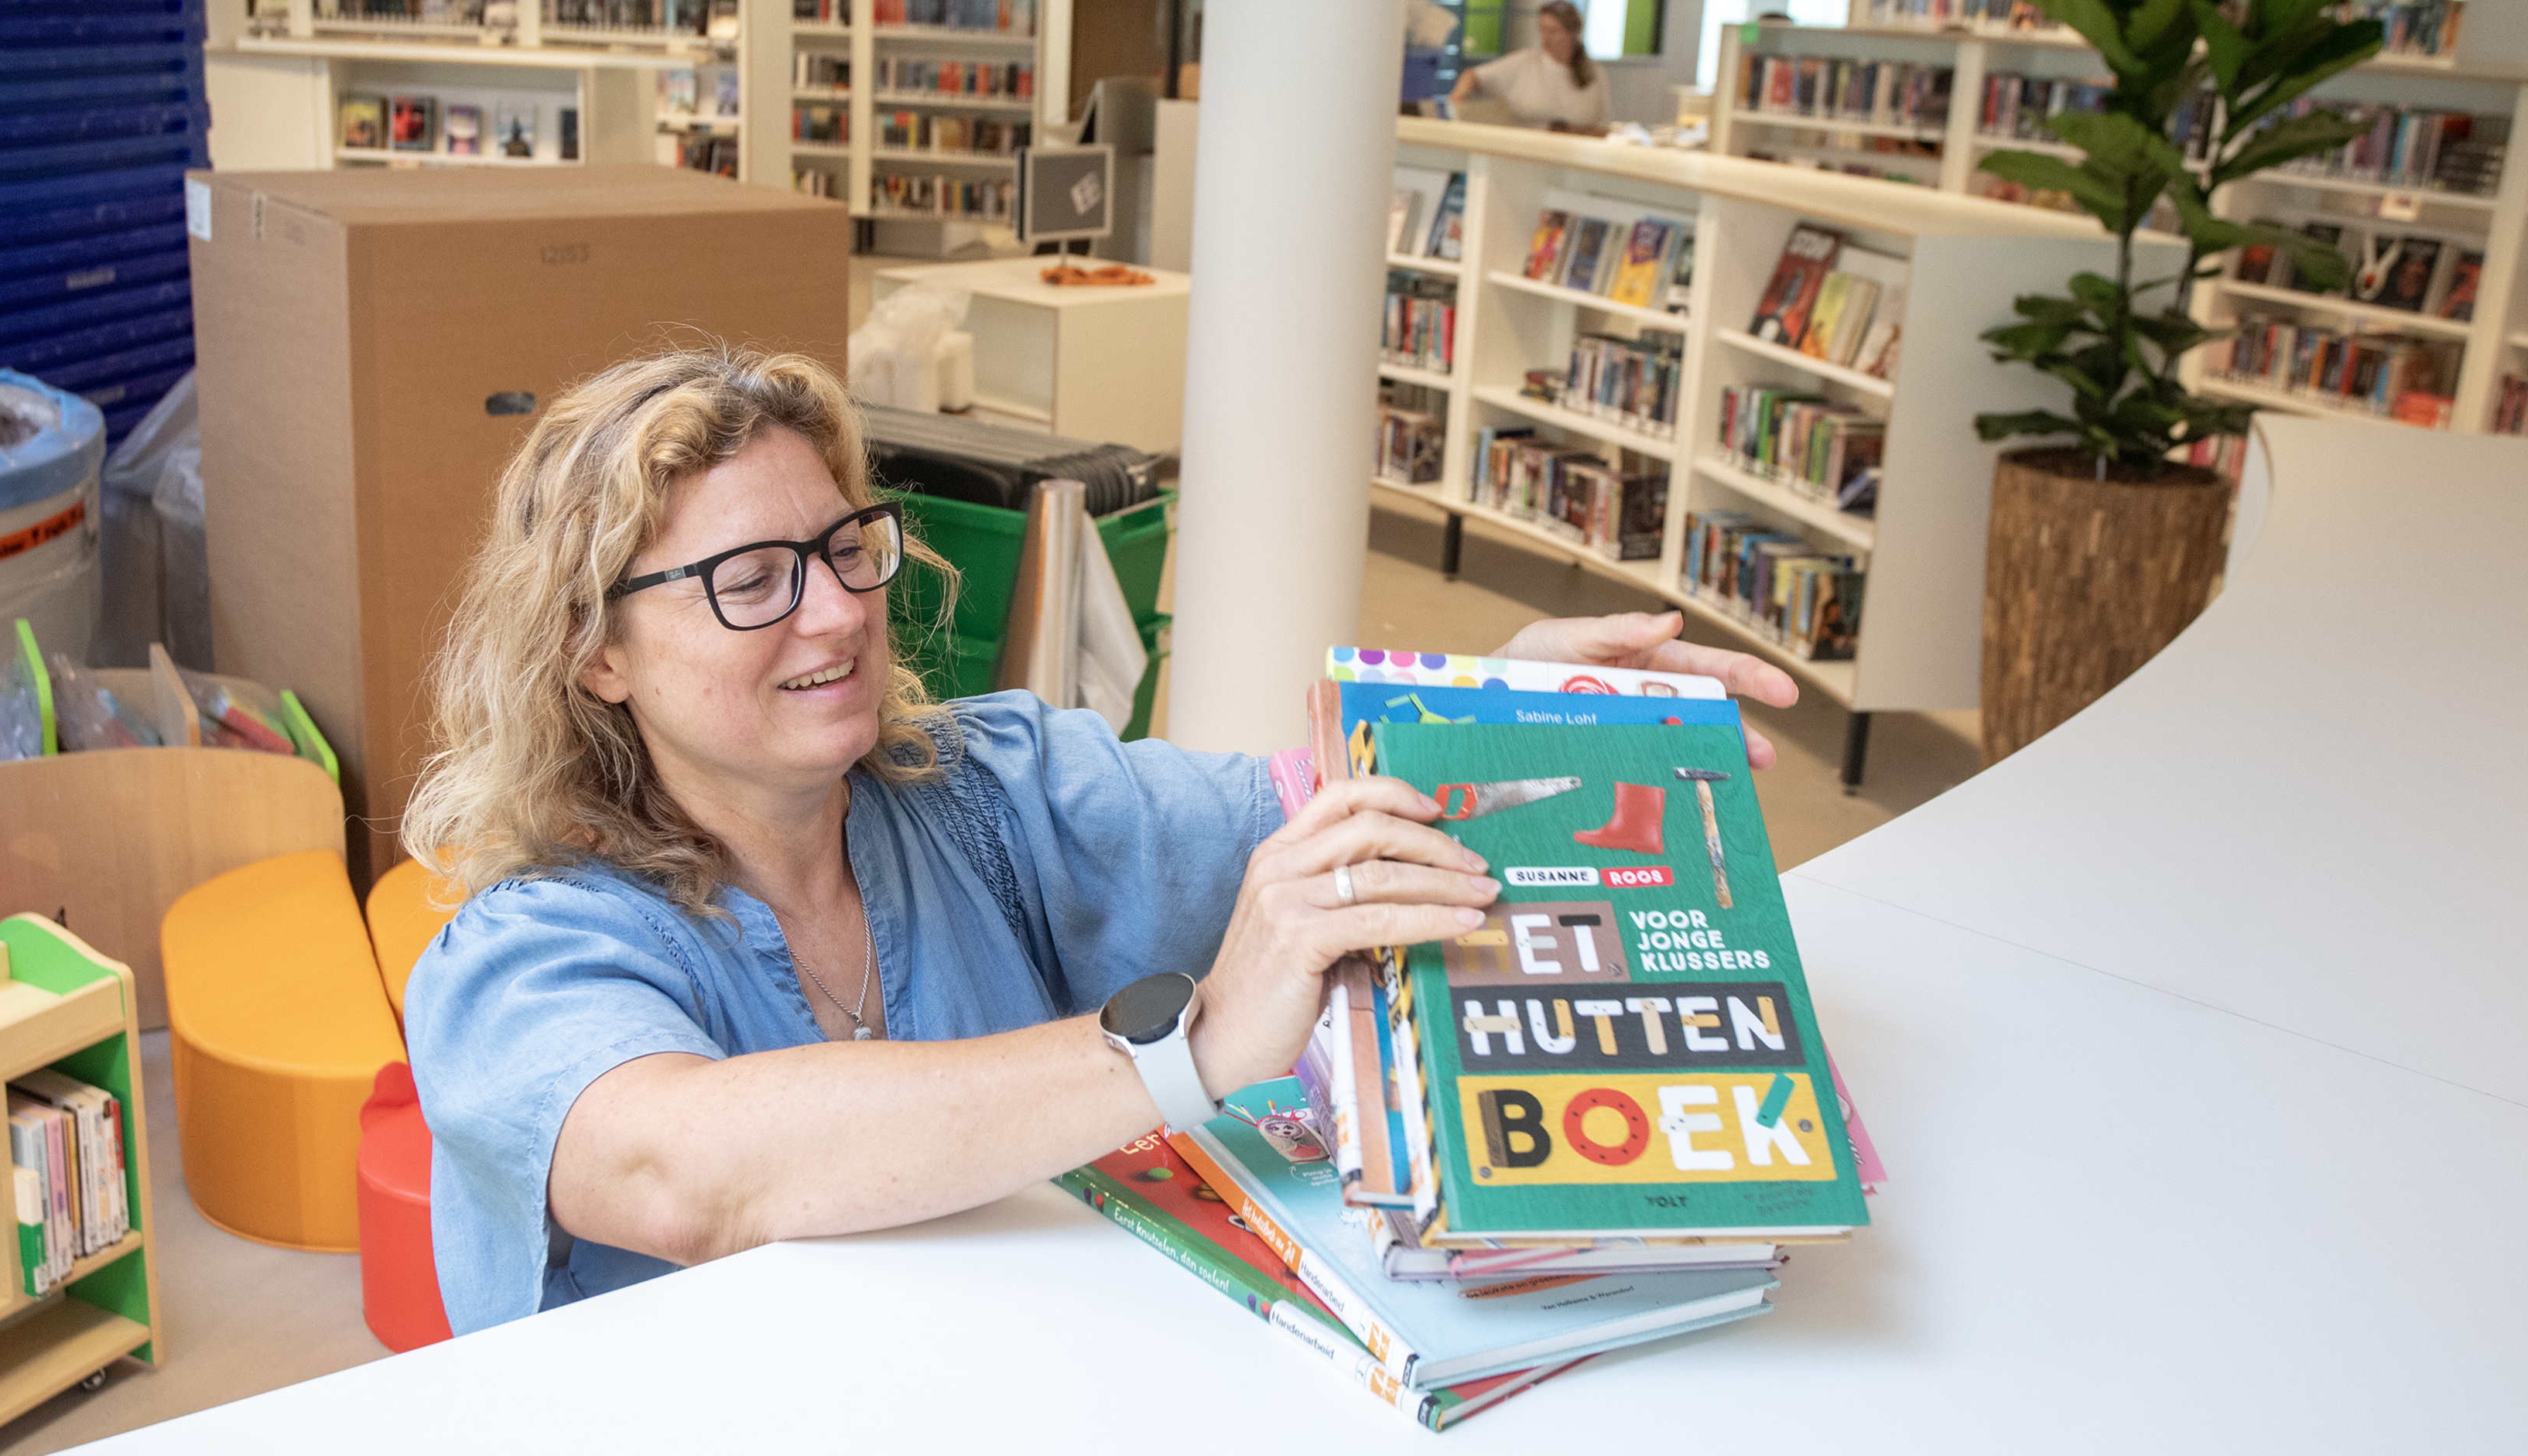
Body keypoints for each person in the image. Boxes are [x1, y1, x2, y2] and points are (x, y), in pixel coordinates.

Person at [399, 347, 1795, 1333]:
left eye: (845, 549)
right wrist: (1192, 1043)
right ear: (597, 653)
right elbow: (691, 1173)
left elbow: (1315, 806)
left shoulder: (985, 788)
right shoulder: (519, 954)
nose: (833, 613)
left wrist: (1512, 701)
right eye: (752, 580)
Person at [1449, 0, 1611, 134]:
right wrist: (1458, 100)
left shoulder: (1593, 73)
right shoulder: (1524, 62)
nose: (1546, 38)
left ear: (1573, 34)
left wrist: (1571, 132)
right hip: (1522, 153)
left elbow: (1602, 128)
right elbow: (1473, 76)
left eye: (1554, 32)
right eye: (1542, 30)